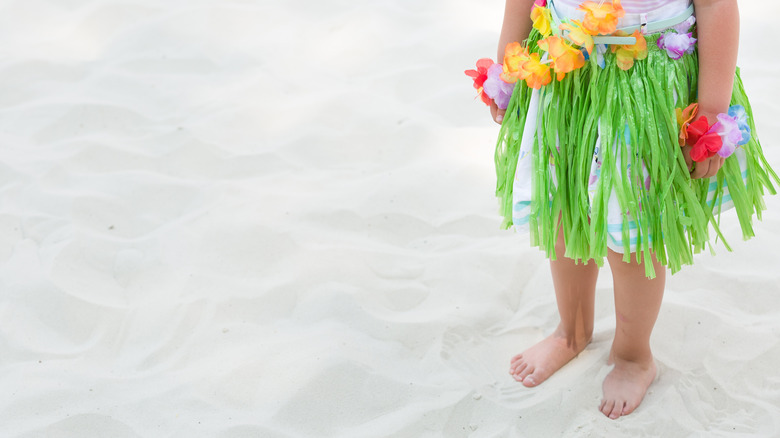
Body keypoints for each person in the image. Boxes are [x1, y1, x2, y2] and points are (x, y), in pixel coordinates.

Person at [481, 0, 778, 420]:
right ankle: (572, 332)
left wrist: (710, 114)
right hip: (563, 73)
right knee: (564, 213)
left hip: (647, 84)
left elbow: (716, 6)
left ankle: (634, 356)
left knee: (633, 236)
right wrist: (506, 69)